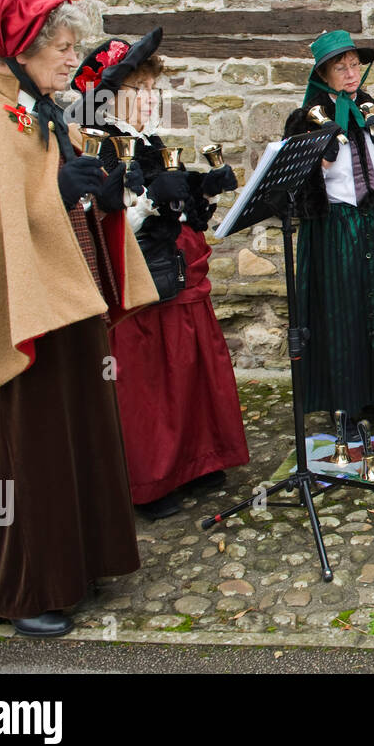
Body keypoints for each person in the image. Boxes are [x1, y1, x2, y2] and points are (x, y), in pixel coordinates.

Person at [0, 0, 157, 637]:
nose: (69, 57)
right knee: (32, 455)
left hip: (70, 299)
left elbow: (66, 203)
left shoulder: (42, 112)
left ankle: (78, 566)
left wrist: (99, 194)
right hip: (23, 317)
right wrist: (49, 196)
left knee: (79, 439)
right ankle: (24, 587)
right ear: (20, 50)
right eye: (58, 47)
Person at [71, 29, 249, 520]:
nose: (152, 100)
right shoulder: (102, 147)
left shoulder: (148, 142)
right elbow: (102, 226)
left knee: (189, 370)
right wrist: (151, 202)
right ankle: (151, 480)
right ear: (110, 98)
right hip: (139, 284)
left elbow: (179, 213)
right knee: (151, 384)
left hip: (177, 274)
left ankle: (197, 460)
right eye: (141, 91)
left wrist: (203, 195)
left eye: (154, 90)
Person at [282, 31, 374, 439]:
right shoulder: (306, 117)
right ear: (323, 72)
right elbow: (292, 189)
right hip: (335, 226)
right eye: (340, 66)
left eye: (354, 64)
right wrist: (317, 160)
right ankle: (344, 400)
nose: (350, 73)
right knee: (342, 314)